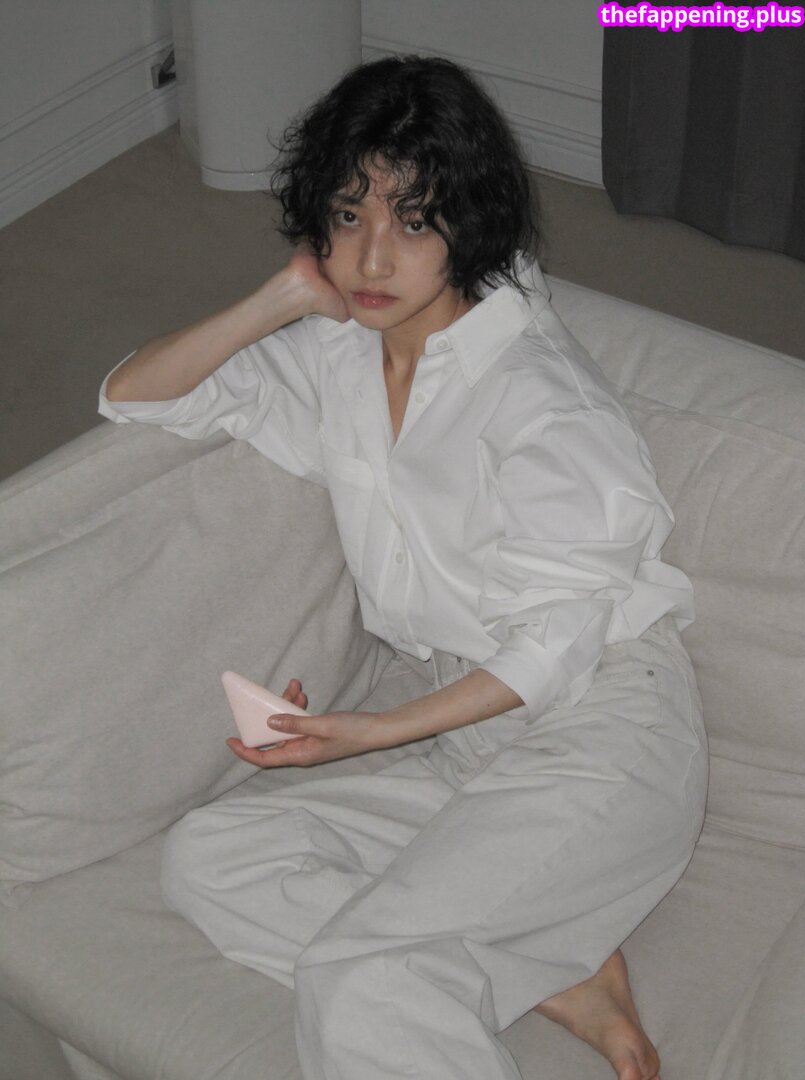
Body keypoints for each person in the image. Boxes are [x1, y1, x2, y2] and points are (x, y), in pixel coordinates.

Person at [100, 55, 708, 1080]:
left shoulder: (539, 396)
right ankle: (552, 971)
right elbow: (134, 396)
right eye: (348, 216)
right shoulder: (344, 350)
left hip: (602, 737)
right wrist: (282, 297)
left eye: (415, 222)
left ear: (471, 224)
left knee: (363, 977)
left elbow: (559, 644)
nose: (371, 258)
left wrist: (373, 731)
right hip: (472, 747)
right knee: (208, 859)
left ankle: (484, 959)